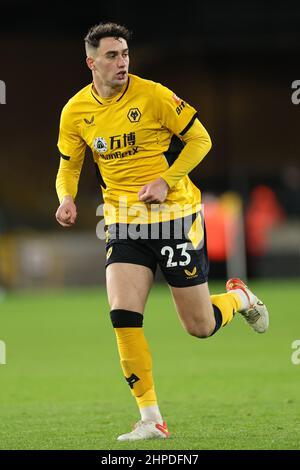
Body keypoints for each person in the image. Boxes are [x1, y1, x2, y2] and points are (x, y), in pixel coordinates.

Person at [55, 22, 269, 442]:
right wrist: (65, 197)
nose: (122, 62)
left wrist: (166, 180)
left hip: (175, 218)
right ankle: (151, 418)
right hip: (122, 223)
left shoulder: (153, 95)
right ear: (91, 62)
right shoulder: (75, 111)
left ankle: (240, 297)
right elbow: (68, 166)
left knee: (199, 326)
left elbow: (200, 140)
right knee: (122, 315)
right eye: (112, 55)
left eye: (125, 54)